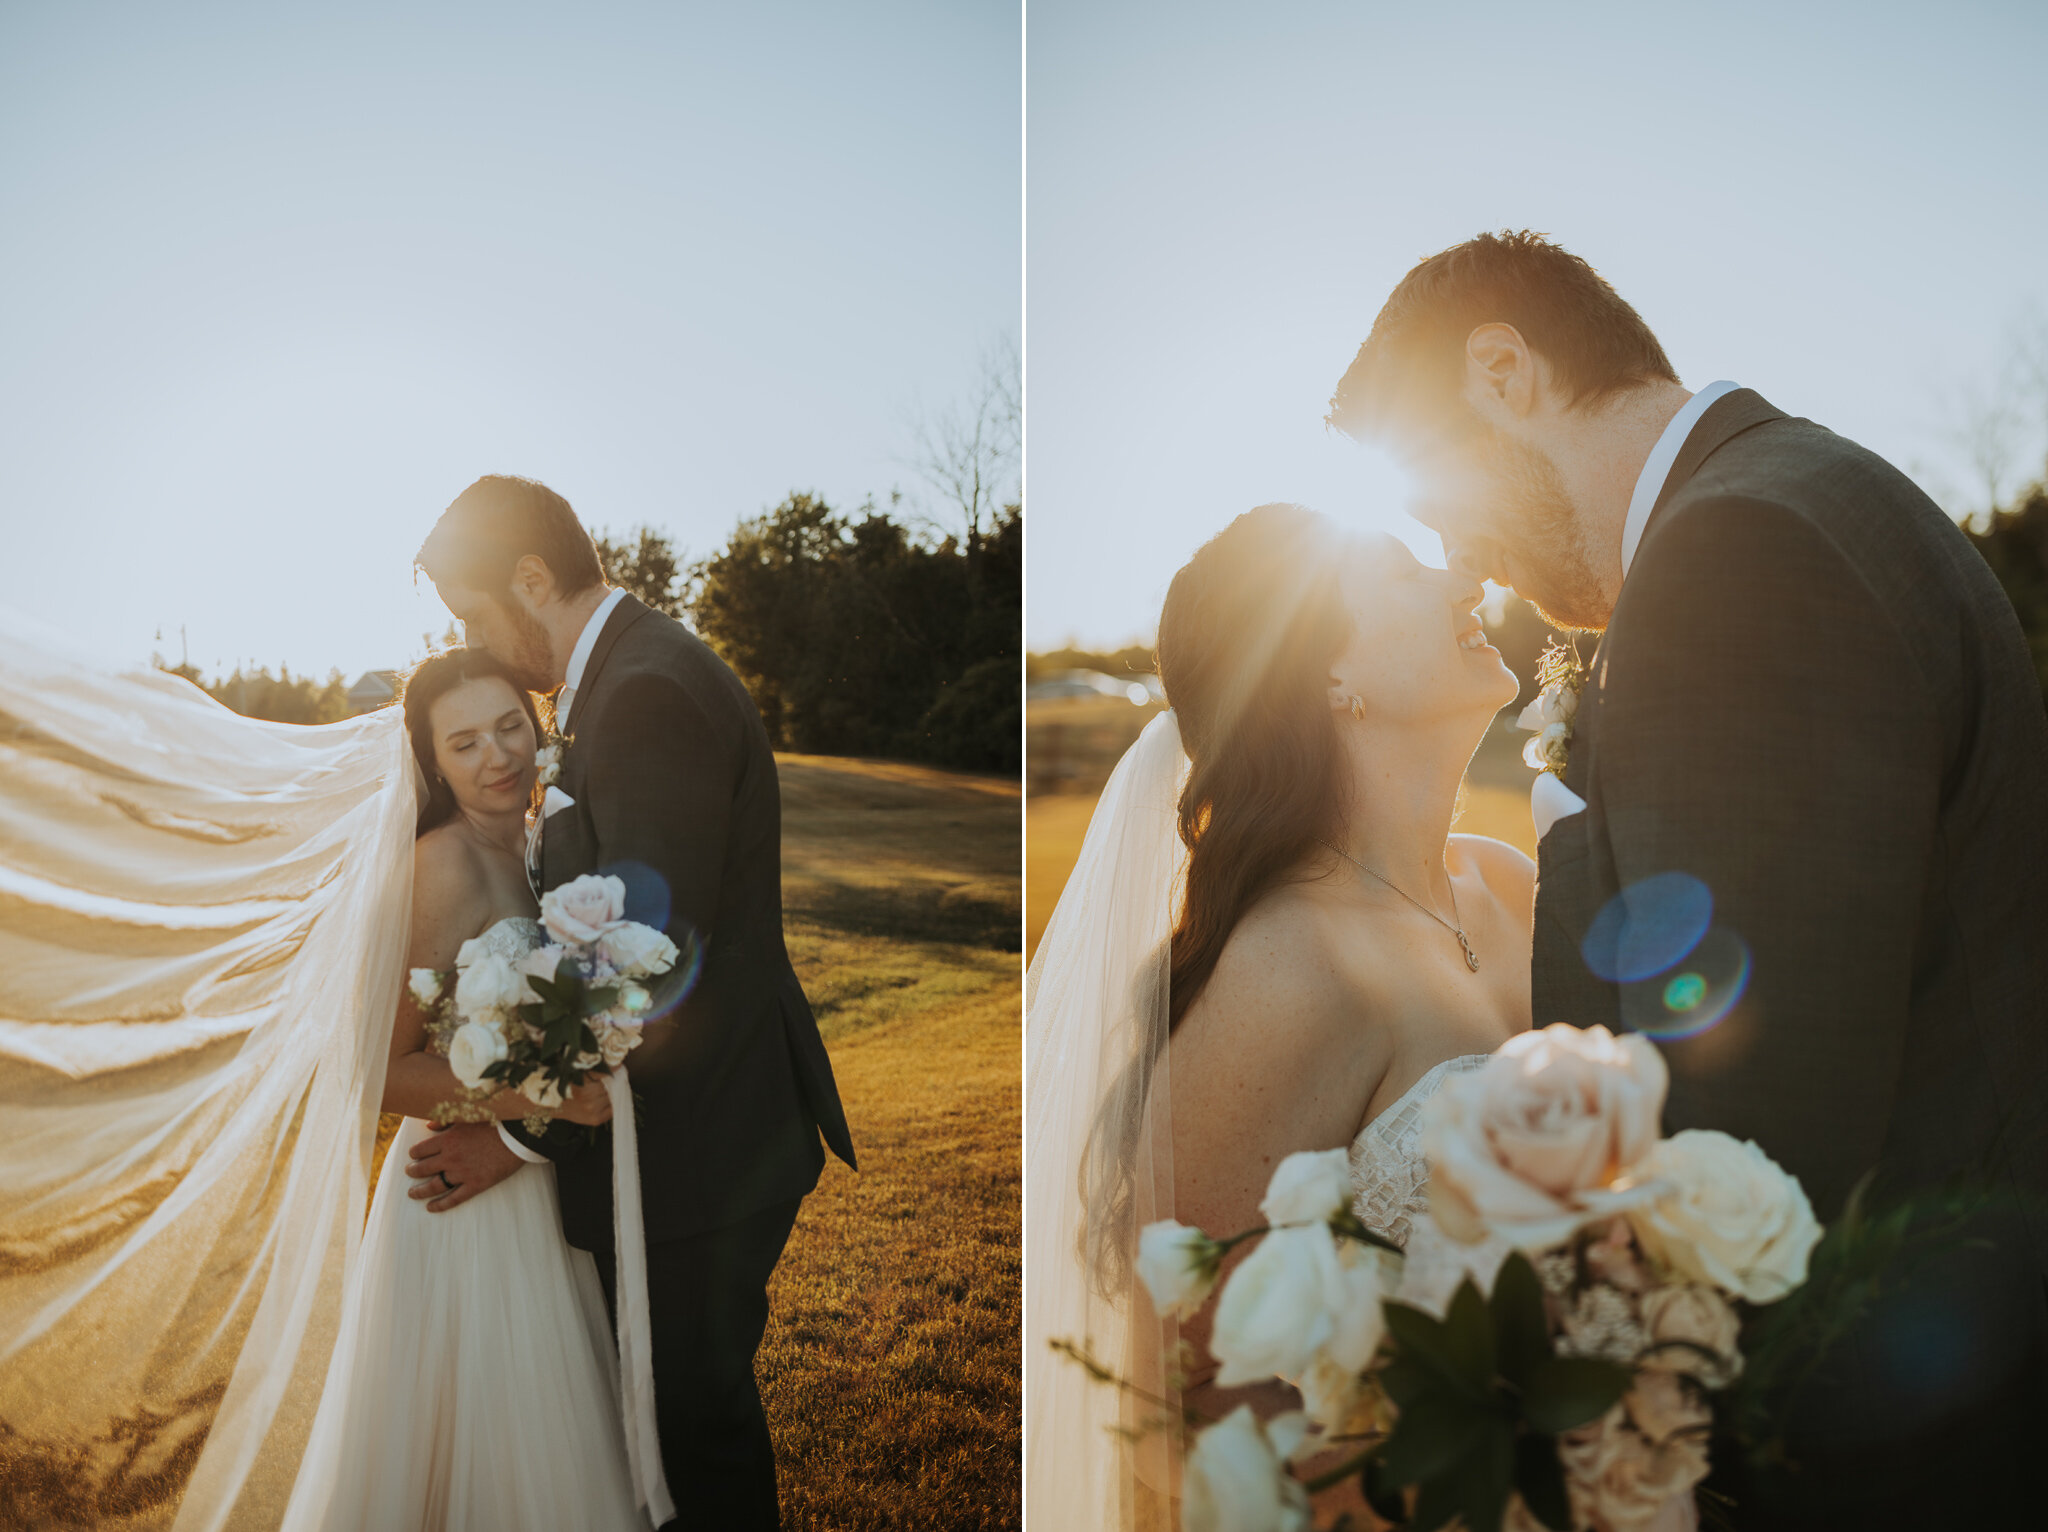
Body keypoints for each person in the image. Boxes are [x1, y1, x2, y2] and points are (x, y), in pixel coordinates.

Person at [1327, 229, 2048, 1524]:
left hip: (1894, 1443)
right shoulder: (1796, 495)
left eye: (1440, 506)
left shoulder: (1738, 556)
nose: (1467, 566)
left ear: (1506, 372)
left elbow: (1756, 1147)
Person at [1024, 502, 1535, 1527]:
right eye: (1400, 575)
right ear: (1328, 681)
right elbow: (1179, 1400)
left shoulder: (1508, 883)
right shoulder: (1286, 965)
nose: (1461, 581)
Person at [404, 475, 856, 1530]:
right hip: (689, 1139)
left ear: (531, 577)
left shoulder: (643, 689)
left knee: (690, 1440)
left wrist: (513, 1139)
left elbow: (648, 968)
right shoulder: (626, 673)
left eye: (474, 614)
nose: (473, 638)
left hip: (698, 1148)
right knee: (669, 1432)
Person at [284, 646, 643, 1531]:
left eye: (511, 726)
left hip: (533, 1185)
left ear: (539, 725)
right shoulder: (441, 864)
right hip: (458, 1194)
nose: (498, 756)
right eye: (466, 742)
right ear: (433, 762)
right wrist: (537, 1106)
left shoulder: (539, 845)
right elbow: (376, 1073)